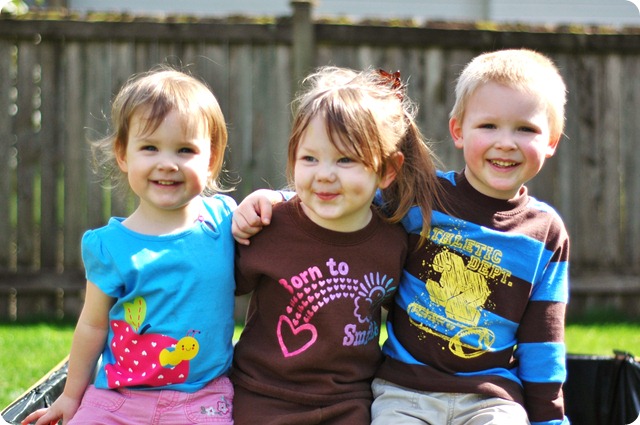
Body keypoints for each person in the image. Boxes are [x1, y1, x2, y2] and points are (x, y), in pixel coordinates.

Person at [233, 49, 571, 425]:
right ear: (458, 130)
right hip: (404, 391)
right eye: (489, 126)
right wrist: (275, 199)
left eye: (525, 129)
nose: (505, 142)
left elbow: (543, 340)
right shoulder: (419, 200)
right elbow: (343, 195)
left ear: (552, 140)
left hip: (489, 395)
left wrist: (549, 418)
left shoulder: (546, 233)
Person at [22, 67, 236, 425]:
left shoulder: (225, 221)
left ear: (210, 160)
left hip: (200, 399)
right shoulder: (110, 246)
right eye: (150, 148)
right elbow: (93, 326)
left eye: (185, 150)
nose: (167, 164)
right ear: (123, 155)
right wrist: (71, 396)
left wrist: (269, 199)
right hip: (118, 399)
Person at [231, 66, 442, 425]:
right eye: (309, 158)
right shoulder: (268, 225)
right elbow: (213, 291)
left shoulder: (395, 241)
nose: (325, 174)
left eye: (345, 159)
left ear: (387, 170)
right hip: (261, 395)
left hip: (349, 402)